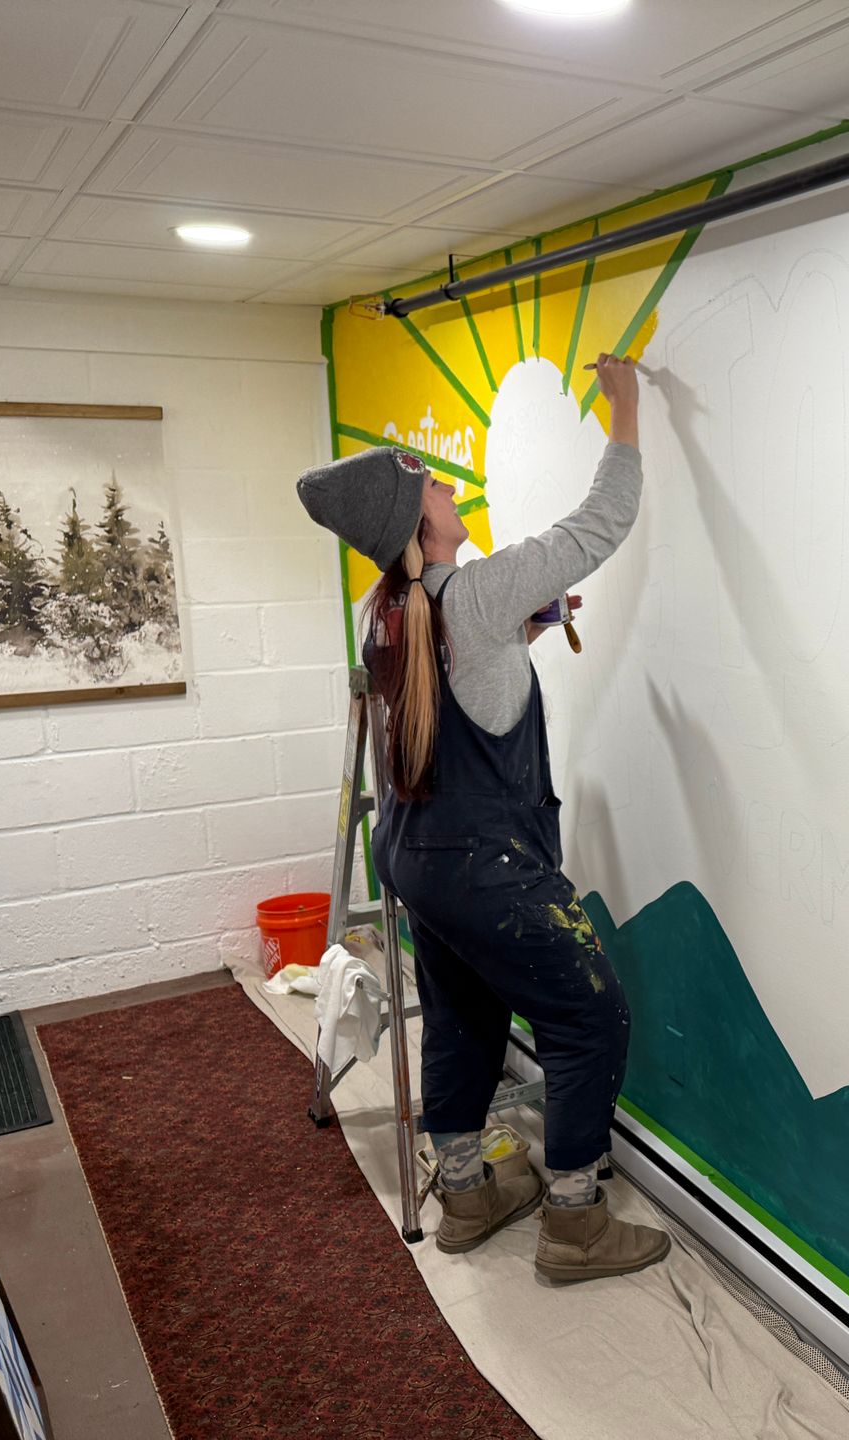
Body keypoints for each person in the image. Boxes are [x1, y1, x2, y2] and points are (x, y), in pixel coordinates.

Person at [295, 353, 669, 1283]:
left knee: (463, 1018)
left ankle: (464, 1195)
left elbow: (452, 672)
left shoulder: (386, 611)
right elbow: (601, 522)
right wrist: (625, 409)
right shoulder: (477, 593)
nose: (452, 489)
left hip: (417, 860)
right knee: (591, 1015)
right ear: (418, 521)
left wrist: (522, 629)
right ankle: (576, 1222)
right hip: (486, 866)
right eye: (434, 485)